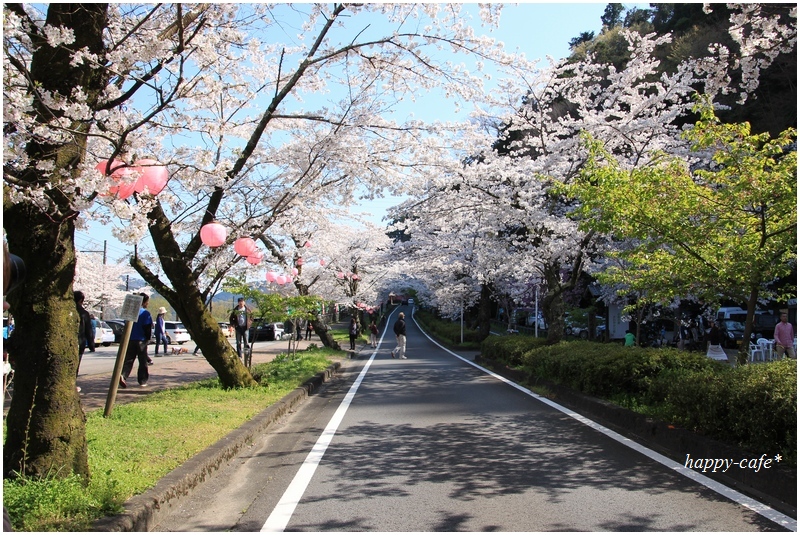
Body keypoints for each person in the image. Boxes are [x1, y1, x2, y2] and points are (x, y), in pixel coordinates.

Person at [120, 293, 153, 388]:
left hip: (130, 339)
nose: (148, 303)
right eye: (147, 302)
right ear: (144, 302)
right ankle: (142, 380)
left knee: (129, 360)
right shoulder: (145, 313)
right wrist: (148, 339)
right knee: (142, 361)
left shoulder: (130, 312)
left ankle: (123, 375)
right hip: (141, 340)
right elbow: (147, 328)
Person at [74, 291, 95, 390]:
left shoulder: (67, 311)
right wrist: (91, 345)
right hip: (80, 342)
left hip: (70, 341)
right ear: (81, 300)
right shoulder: (84, 313)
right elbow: (89, 331)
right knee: (75, 364)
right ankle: (72, 384)